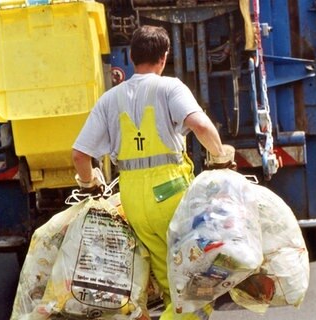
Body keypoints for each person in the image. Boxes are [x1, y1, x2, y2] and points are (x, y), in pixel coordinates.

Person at [72, 25, 235, 319]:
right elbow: (200, 125)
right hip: (171, 198)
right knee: (198, 287)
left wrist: (91, 185)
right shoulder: (170, 87)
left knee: (170, 284)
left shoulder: (109, 100)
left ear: (131, 57)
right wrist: (220, 159)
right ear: (164, 57)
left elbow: (80, 155)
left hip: (134, 203)